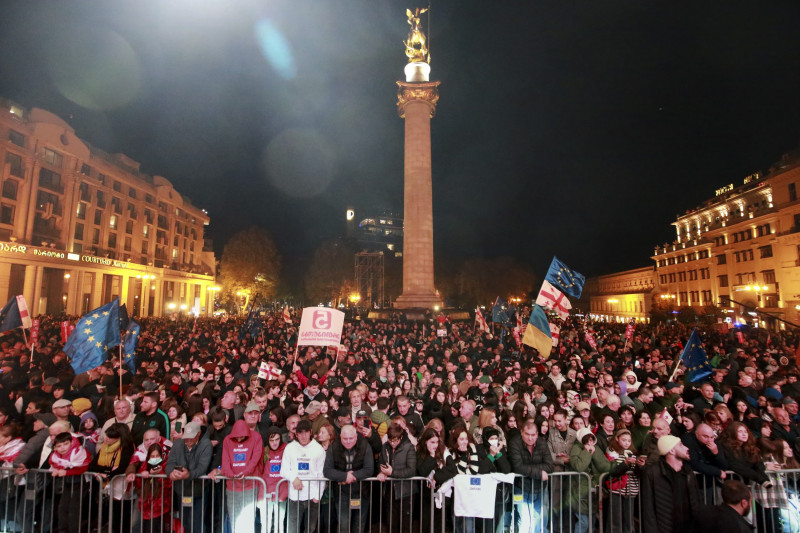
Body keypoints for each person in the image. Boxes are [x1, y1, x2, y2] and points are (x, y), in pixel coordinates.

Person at [640, 435, 702, 533]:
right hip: (665, 528)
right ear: (671, 450)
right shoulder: (653, 473)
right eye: (681, 445)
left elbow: (697, 502)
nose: (687, 448)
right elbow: (648, 509)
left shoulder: (688, 472)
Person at [323, 424, 374, 533]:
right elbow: (327, 470)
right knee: (343, 525)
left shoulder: (365, 445)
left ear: (356, 436)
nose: (348, 441)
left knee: (359, 525)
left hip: (361, 492)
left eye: (351, 438)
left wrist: (352, 476)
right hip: (342, 493)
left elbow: (369, 469)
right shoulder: (334, 446)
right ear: (340, 437)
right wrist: (344, 476)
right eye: (345, 439)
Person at [217, 419, 264, 533]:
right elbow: (225, 460)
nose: (238, 439)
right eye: (236, 437)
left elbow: (255, 459)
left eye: (241, 437)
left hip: (250, 486)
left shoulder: (256, 437)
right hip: (232, 487)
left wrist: (246, 472)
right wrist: (230, 475)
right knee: (234, 520)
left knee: (248, 520)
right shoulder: (227, 440)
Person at [164, 421, 212, 533]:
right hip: (182, 490)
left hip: (199, 490)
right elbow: (170, 463)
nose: (188, 441)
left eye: (191, 438)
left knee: (197, 523)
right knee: (185, 522)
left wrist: (188, 475)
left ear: (198, 434)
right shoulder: (177, 444)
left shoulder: (206, 444)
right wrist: (171, 473)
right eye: (186, 438)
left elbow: (202, 467)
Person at [282, 420, 326, 533]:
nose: (303, 435)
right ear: (296, 434)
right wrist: (294, 478)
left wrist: (318, 496)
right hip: (294, 497)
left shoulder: (318, 449)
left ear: (311, 432)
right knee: (292, 529)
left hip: (312, 497)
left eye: (306, 432)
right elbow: (283, 470)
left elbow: (321, 474)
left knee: (310, 529)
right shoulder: (290, 448)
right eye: (300, 433)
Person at [569, 427, 611, 533]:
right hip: (579, 490)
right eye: (587, 440)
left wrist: (594, 453)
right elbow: (579, 467)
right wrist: (587, 453)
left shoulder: (595, 448)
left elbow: (606, 467)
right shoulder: (576, 449)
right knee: (584, 522)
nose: (590, 442)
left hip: (593, 489)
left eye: (591, 439)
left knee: (591, 523)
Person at [377, 423, 417, 533]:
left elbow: (411, 470)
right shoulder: (385, 447)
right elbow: (380, 463)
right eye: (390, 440)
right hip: (390, 491)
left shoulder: (409, 447)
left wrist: (392, 472)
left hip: (406, 492)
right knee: (391, 524)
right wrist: (381, 472)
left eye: (395, 440)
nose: (393, 443)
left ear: (401, 437)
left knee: (405, 525)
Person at [49, 431, 91, 533]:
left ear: (71, 442)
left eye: (65, 444)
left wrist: (66, 472)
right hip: (68, 483)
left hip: (80, 482)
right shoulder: (56, 456)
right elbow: (55, 464)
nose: (62, 448)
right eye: (59, 446)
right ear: (55, 447)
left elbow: (82, 468)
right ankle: (63, 530)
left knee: (74, 510)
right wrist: (57, 470)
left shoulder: (80, 452)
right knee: (62, 508)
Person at [262, 426, 288, 533]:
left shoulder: (286, 449)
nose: (274, 443)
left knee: (279, 521)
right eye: (271, 440)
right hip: (266, 490)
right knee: (265, 522)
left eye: (277, 439)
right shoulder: (264, 451)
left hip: (281, 490)